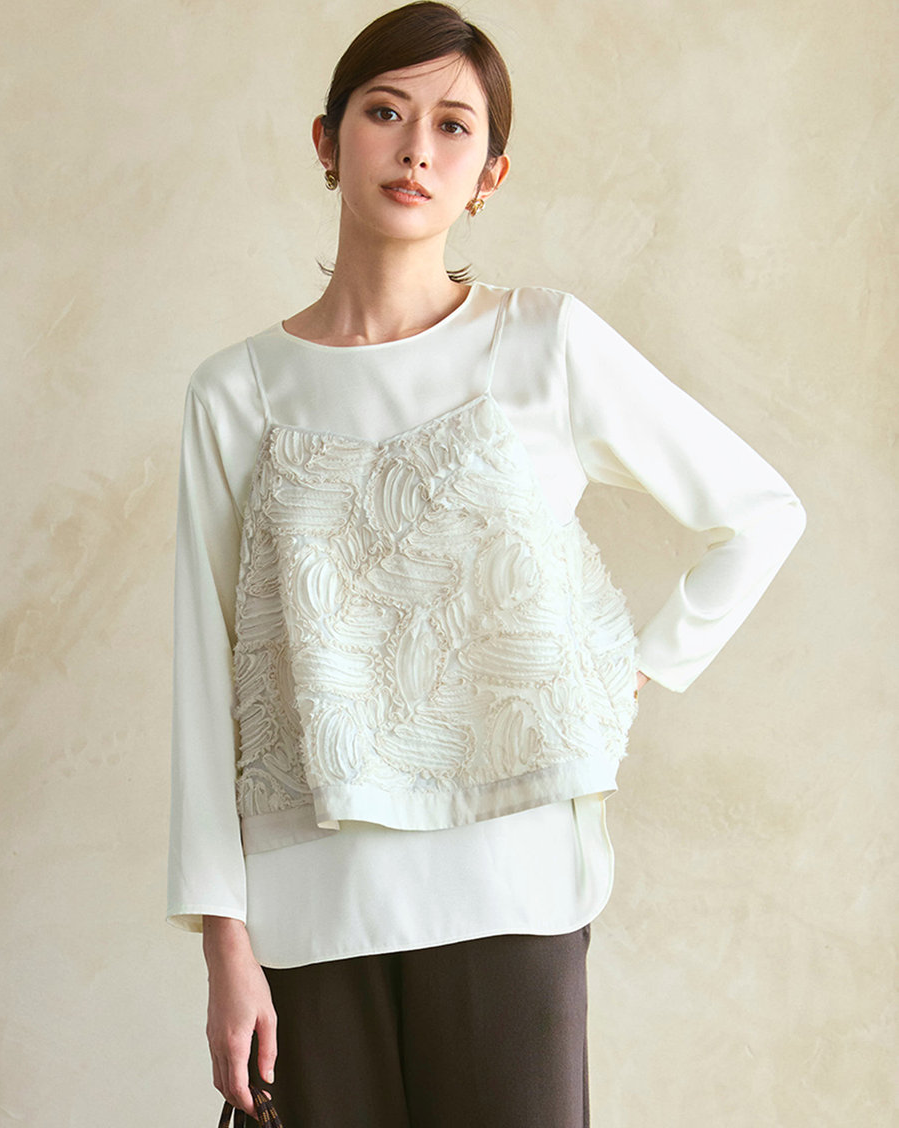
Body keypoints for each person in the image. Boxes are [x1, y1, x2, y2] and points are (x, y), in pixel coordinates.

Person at [167, 3, 806, 1125]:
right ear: (327, 140)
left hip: (512, 891)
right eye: (384, 112)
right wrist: (225, 943)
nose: (417, 148)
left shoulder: (544, 343)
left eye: (454, 126)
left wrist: (622, 674)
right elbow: (203, 681)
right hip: (308, 913)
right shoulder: (235, 393)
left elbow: (759, 514)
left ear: (489, 175)